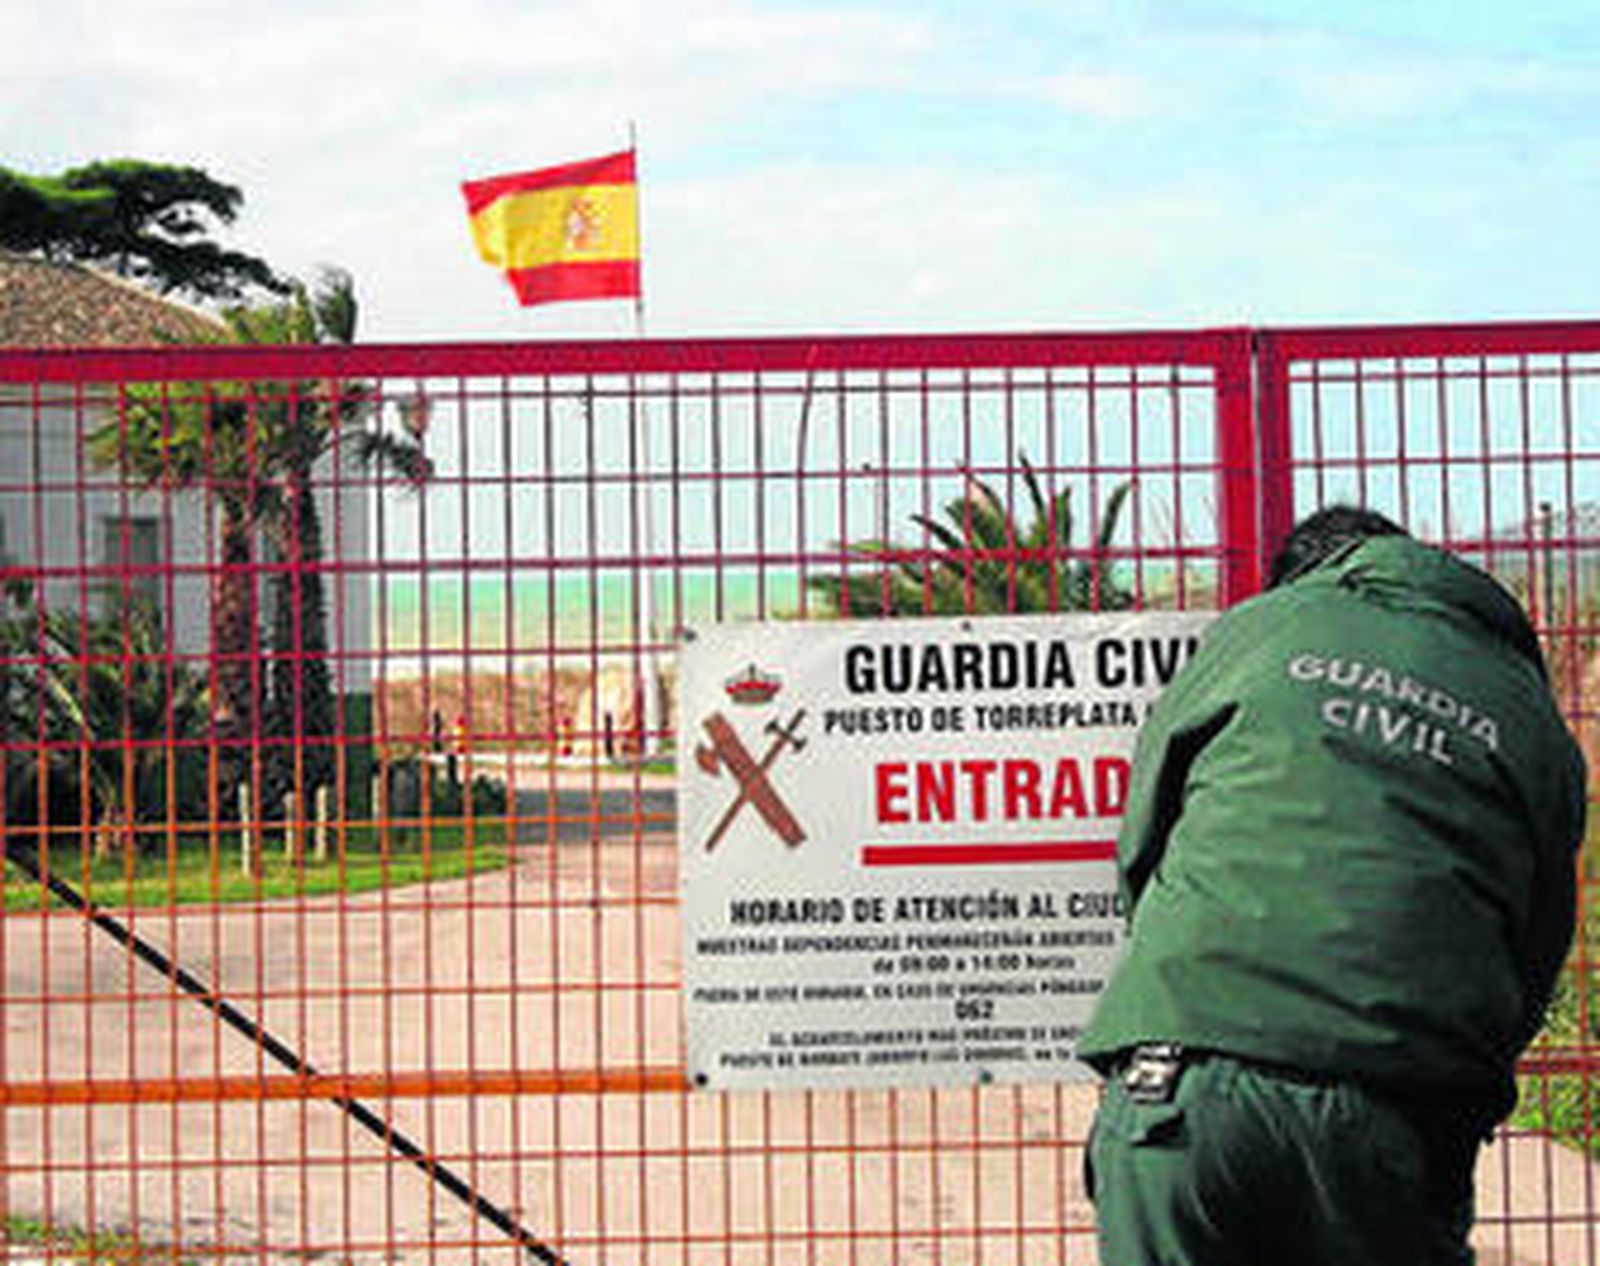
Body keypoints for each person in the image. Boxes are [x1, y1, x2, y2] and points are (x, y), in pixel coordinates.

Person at [1076, 506, 1589, 1266]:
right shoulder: (1524, 705)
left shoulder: (1260, 632)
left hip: (1178, 1091)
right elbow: (1535, 947)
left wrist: (1186, 987)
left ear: (1308, 574)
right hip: (1391, 1111)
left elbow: (1146, 838)